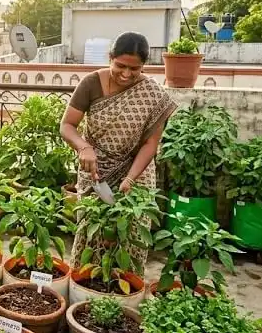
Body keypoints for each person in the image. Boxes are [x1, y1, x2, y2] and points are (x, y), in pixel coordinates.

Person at [60, 32, 176, 263]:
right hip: (96, 172)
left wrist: (130, 179)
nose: (126, 74)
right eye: (120, 65)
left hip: (137, 174)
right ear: (110, 57)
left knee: (131, 236)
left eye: (135, 69)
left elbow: (151, 144)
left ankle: (125, 293)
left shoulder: (152, 94)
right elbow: (67, 125)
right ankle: (87, 290)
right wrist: (84, 148)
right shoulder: (91, 83)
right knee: (92, 233)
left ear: (144, 66)